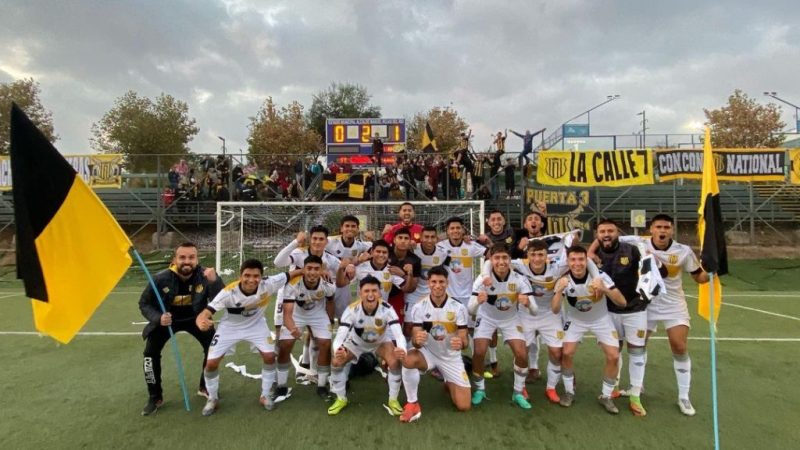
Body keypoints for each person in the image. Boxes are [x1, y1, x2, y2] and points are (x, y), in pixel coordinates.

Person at [617, 214, 709, 416]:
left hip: (673, 305)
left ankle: (684, 397)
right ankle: (636, 387)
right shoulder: (637, 242)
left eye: (667, 227)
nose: (663, 230)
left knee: (679, 346)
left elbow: (699, 278)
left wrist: (711, 270)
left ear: (672, 230)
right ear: (651, 229)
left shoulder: (683, 251)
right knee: (638, 345)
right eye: (659, 226)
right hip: (645, 303)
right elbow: (610, 237)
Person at [195, 260, 301, 415]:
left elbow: (289, 274)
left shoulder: (269, 284)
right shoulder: (228, 293)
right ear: (240, 275)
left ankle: (265, 395)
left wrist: (306, 270)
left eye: (256, 276)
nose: (251, 280)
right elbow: (205, 313)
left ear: (262, 276)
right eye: (247, 275)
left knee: (270, 356)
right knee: (211, 363)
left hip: (256, 326)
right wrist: (201, 322)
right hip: (229, 328)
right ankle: (212, 398)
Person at [589, 218, 667, 416]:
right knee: (614, 352)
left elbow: (660, 272)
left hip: (635, 309)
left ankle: (635, 395)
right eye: (602, 231)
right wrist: (591, 252)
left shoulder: (632, 250)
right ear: (597, 235)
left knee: (636, 350)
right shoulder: (592, 256)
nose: (606, 234)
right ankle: (612, 389)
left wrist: (653, 260)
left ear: (618, 233)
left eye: (611, 231)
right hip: (607, 312)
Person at [139, 242, 223, 416]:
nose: (187, 261)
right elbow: (144, 303)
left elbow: (221, 299)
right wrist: (158, 318)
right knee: (149, 355)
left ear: (197, 259)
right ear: (174, 259)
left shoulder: (206, 275)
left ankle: (205, 386)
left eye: (191, 257)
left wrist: (215, 282)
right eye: (182, 257)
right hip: (167, 320)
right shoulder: (160, 278)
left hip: (196, 317)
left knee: (214, 347)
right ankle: (155, 396)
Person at [551, 245, 627, 414]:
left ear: (587, 260)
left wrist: (604, 289)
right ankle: (569, 391)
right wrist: (558, 291)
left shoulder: (600, 277)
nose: (577, 263)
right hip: (576, 320)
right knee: (567, 352)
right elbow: (555, 309)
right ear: (568, 262)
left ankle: (606, 396)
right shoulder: (564, 279)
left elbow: (622, 302)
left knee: (614, 356)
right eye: (573, 260)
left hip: (601, 319)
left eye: (581, 259)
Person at [327, 276, 407, 416]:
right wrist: (338, 349)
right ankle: (341, 398)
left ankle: (393, 400)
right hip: (355, 343)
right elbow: (340, 335)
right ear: (360, 293)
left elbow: (399, 334)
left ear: (380, 293)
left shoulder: (387, 309)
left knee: (395, 361)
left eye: (374, 291)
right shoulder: (351, 310)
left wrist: (401, 348)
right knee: (336, 361)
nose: (370, 294)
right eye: (367, 291)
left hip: (380, 342)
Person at [468, 245, 536, 409]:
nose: (501, 262)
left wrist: (528, 304)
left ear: (509, 260)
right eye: (497, 258)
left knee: (521, 354)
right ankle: (480, 389)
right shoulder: (482, 280)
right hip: (486, 318)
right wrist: (478, 301)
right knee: (478, 352)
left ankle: (518, 392)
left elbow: (535, 311)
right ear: (491, 260)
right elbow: (470, 310)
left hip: (511, 318)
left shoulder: (519, 279)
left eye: (504, 258)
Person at [400, 266, 471, 422]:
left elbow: (465, 340)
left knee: (464, 406)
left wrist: (461, 343)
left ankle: (449, 381)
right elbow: (415, 340)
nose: (437, 285)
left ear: (447, 283)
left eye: (441, 282)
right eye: (434, 282)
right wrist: (416, 341)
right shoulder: (419, 307)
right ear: (428, 282)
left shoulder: (458, 308)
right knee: (408, 359)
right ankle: (412, 403)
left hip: (450, 357)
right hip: (428, 353)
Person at [277, 255, 337, 400]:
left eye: (317, 269)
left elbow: (330, 302)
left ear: (321, 270)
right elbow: (288, 312)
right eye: (309, 268)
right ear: (304, 269)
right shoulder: (292, 283)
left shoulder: (328, 283)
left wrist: (329, 320)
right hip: (296, 315)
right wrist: (293, 329)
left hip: (317, 313)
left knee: (325, 343)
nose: (312, 272)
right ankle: (281, 385)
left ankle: (322, 385)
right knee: (286, 344)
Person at [326, 215, 373, 318]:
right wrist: (354, 261)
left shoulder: (361, 245)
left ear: (357, 229)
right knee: (323, 315)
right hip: (327, 282)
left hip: (344, 284)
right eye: (347, 226)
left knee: (343, 315)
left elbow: (376, 248)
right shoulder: (329, 242)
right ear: (341, 228)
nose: (350, 229)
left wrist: (373, 238)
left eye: (353, 226)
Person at [336, 240, 411, 303]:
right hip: (361, 312)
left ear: (388, 255)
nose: (381, 255)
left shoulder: (392, 270)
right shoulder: (360, 267)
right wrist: (340, 268)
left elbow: (407, 289)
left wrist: (409, 274)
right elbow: (340, 284)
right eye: (378, 251)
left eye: (384, 252)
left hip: (381, 313)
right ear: (371, 252)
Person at [387, 227, 421, 325]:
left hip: (397, 296)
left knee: (396, 326)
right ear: (394, 240)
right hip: (379, 294)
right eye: (400, 238)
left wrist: (404, 275)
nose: (403, 241)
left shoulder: (415, 260)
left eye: (406, 238)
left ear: (410, 241)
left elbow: (412, 288)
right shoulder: (385, 252)